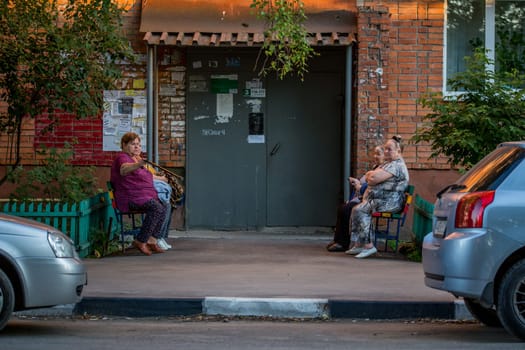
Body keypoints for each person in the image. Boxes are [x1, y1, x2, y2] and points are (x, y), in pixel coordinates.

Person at [346, 136, 409, 259]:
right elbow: (371, 176)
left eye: (389, 149)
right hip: (381, 200)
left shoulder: (396, 165)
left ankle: (369, 246)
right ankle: (360, 243)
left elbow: (373, 178)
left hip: (391, 202)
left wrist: (371, 175)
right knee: (356, 209)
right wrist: (371, 175)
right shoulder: (388, 163)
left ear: (398, 151)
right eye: (385, 149)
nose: (386, 151)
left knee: (361, 210)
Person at [110, 132, 169, 256]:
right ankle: (141, 240)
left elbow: (146, 176)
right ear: (124, 145)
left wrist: (161, 179)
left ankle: (152, 240)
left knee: (163, 205)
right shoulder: (122, 158)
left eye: (138, 144)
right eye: (133, 144)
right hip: (129, 198)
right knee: (156, 207)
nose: (137, 147)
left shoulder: (136, 159)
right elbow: (124, 169)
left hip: (142, 196)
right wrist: (139, 164)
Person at [326, 146, 384, 252]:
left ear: (385, 156)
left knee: (347, 209)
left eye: (378, 154)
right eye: (375, 153)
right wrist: (357, 184)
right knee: (342, 207)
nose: (375, 156)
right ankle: (338, 240)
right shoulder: (376, 168)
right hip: (363, 197)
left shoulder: (383, 171)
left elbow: (374, 187)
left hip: (371, 200)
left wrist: (359, 187)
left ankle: (344, 243)